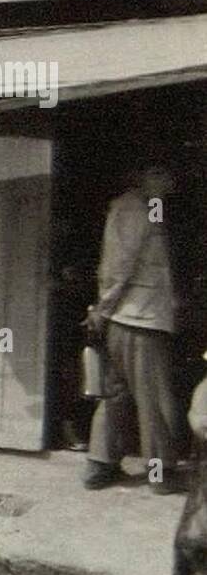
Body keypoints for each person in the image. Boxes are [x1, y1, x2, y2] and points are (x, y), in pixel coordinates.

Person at [83, 163, 185, 493]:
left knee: (117, 393)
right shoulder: (132, 209)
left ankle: (100, 465)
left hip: (135, 316)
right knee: (152, 397)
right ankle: (160, 474)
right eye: (164, 175)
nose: (171, 182)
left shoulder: (146, 209)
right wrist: (103, 308)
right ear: (144, 176)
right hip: (137, 319)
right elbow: (118, 267)